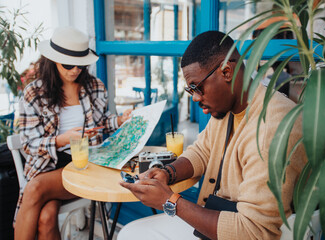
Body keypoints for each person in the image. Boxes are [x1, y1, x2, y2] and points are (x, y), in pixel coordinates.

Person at [118, 31, 307, 240]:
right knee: (130, 233)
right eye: (190, 90)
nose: (195, 98)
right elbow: (202, 151)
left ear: (227, 72)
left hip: (243, 231)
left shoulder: (272, 128)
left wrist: (170, 201)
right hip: (218, 217)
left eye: (197, 87)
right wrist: (167, 173)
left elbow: (254, 231)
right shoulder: (227, 108)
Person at [15, 26, 132, 240]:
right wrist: (60, 141)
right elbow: (28, 144)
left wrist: (120, 120)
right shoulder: (34, 92)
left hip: (85, 165)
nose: (75, 70)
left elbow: (103, 122)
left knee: (34, 189)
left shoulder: (94, 86)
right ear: (53, 61)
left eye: (81, 64)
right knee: (46, 217)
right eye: (68, 64)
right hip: (46, 166)